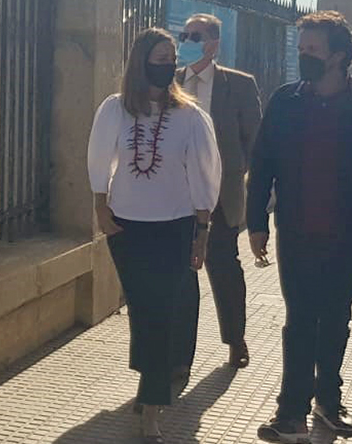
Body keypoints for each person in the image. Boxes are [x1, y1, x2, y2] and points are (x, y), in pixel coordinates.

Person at [247, 11, 352, 444]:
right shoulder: (286, 100)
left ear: (339, 55)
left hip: (350, 237)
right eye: (301, 48)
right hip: (296, 231)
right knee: (300, 320)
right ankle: (291, 413)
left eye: (312, 49)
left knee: (336, 317)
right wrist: (256, 223)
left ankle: (329, 400)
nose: (303, 55)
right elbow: (263, 162)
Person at [87, 28, 222, 443]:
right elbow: (99, 159)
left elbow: (204, 175)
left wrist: (202, 231)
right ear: (140, 62)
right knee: (143, 311)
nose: (167, 66)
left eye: (171, 59)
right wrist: (100, 206)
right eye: (159, 59)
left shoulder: (191, 116)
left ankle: (151, 404)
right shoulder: (115, 109)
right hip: (126, 228)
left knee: (161, 312)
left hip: (174, 228)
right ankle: (150, 383)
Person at [175, 14, 262, 369]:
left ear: (213, 44)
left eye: (195, 36)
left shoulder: (238, 85)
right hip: (175, 197)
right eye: (184, 35)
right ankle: (180, 356)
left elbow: (254, 141)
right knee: (181, 276)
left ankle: (235, 339)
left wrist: (234, 176)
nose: (186, 41)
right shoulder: (169, 81)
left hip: (220, 198)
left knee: (224, 269)